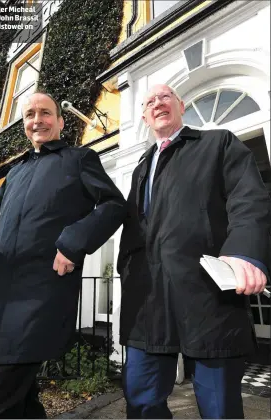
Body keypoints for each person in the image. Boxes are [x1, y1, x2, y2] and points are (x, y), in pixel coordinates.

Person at [0, 92, 126, 418]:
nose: (36, 120)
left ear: (60, 121)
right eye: (29, 115)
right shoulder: (15, 173)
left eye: (45, 113)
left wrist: (72, 244)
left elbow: (113, 205)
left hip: (41, 295)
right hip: (0, 296)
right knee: (21, 402)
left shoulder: (79, 158)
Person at [117, 84, 271, 419]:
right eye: (150, 101)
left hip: (207, 292)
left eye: (165, 97)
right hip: (147, 298)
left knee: (220, 407)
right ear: (144, 115)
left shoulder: (218, 142)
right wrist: (125, 270)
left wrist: (244, 252)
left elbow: (249, 199)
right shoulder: (142, 166)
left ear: (181, 106)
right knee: (141, 400)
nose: (158, 103)